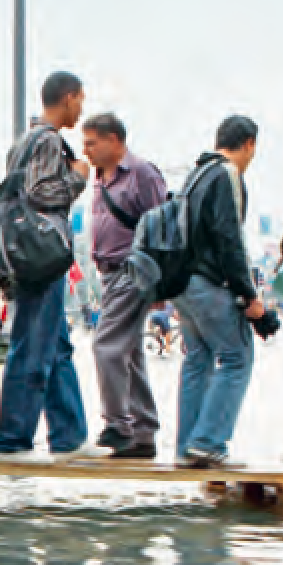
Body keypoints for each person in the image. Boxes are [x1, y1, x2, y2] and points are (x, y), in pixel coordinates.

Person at [0, 71, 101, 463]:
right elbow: (40, 193)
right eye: (80, 100)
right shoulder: (49, 141)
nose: (81, 108)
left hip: (24, 254)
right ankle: (11, 440)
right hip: (41, 254)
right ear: (68, 98)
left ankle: (69, 436)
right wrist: (78, 178)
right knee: (32, 346)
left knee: (57, 346)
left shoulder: (24, 142)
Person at [171, 116, 265, 470]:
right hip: (209, 283)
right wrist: (247, 293)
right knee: (237, 357)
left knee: (197, 361)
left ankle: (187, 448)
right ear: (249, 144)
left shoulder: (194, 175)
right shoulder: (227, 175)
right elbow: (230, 239)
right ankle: (209, 441)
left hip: (182, 283)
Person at [80, 111, 169, 460]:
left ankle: (118, 424)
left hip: (134, 271)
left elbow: (164, 227)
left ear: (114, 140)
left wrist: (160, 283)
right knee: (129, 351)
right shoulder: (100, 178)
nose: (85, 150)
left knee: (105, 344)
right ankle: (143, 433)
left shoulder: (143, 174)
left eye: (91, 143)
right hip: (108, 272)